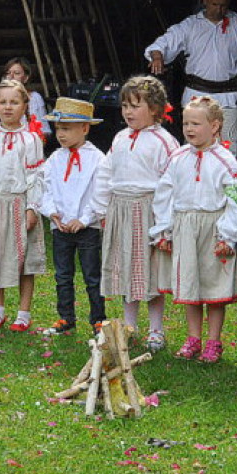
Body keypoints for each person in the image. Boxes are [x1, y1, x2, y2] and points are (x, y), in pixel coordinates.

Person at [152, 95, 237, 363]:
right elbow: (164, 194)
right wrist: (164, 230)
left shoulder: (226, 161)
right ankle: (193, 338)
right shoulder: (177, 157)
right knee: (190, 285)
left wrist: (227, 234)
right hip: (185, 227)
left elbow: (236, 200)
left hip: (213, 229)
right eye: (185, 123)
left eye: (196, 123)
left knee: (214, 287)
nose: (189, 129)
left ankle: (214, 341)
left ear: (214, 126)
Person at [92, 75, 179, 351]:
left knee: (148, 273)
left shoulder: (164, 142)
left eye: (135, 106)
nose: (128, 112)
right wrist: (101, 206)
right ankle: (129, 326)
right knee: (126, 268)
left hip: (147, 211)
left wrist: (165, 223)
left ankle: (156, 328)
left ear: (154, 109)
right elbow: (106, 171)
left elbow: (171, 182)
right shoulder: (119, 138)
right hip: (120, 208)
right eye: (125, 106)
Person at [146, 0, 237, 148]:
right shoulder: (190, 25)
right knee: (194, 144)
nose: (219, 9)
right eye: (215, 4)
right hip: (196, 95)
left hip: (228, 97)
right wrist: (157, 55)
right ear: (205, 2)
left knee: (228, 146)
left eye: (223, 6)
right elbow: (163, 43)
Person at [0, 79, 46, 332]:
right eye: (2, 102)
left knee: (24, 261)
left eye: (14, 102)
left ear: (25, 105)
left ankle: (23, 313)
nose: (7, 107)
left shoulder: (31, 139)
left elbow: (36, 176)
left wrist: (32, 208)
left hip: (19, 202)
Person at [39, 98, 107, 335]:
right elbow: (45, 188)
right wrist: (52, 213)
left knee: (92, 275)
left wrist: (85, 218)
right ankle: (66, 317)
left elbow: (100, 192)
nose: (61, 134)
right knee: (63, 275)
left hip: (87, 228)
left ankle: (98, 318)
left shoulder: (97, 158)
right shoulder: (55, 159)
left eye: (67, 128)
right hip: (61, 227)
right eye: (58, 128)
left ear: (85, 128)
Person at [0, 57, 47, 135]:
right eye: (8, 73)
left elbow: (44, 130)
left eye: (16, 73)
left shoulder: (35, 98)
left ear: (26, 78)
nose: (11, 76)